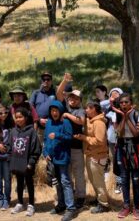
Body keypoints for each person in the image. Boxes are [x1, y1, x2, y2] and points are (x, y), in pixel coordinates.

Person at [112, 93, 139, 220]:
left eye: (126, 102)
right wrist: (123, 117)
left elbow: (136, 134)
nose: (123, 104)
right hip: (122, 149)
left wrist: (127, 118)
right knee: (124, 178)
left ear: (131, 103)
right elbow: (120, 134)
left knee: (135, 178)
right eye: (121, 102)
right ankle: (126, 205)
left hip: (135, 149)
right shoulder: (115, 115)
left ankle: (137, 207)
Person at [74, 101, 111, 214]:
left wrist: (84, 138)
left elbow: (100, 141)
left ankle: (104, 204)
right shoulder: (90, 121)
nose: (85, 110)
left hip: (98, 156)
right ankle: (99, 199)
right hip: (91, 155)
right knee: (93, 179)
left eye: (88, 108)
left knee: (98, 181)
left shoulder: (99, 123)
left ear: (94, 109)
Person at [56, 73, 86, 209]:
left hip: (76, 146)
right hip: (64, 146)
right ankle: (70, 195)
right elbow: (58, 94)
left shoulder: (80, 111)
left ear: (80, 100)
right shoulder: (66, 106)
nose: (73, 99)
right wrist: (65, 80)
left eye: (76, 98)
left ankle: (80, 197)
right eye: (71, 97)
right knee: (66, 173)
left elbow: (81, 121)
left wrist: (68, 115)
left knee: (78, 172)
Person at [43, 100, 77, 221]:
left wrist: (57, 135)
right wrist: (45, 153)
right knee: (57, 182)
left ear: (60, 111)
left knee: (65, 182)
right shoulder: (48, 123)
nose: (54, 113)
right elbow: (45, 139)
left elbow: (69, 137)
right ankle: (61, 205)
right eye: (52, 111)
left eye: (56, 110)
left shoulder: (65, 122)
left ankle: (71, 208)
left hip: (62, 157)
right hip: (51, 158)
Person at [8, 107, 41, 217]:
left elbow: (36, 149)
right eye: (16, 117)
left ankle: (31, 205)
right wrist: (10, 160)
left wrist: (31, 162)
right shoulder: (13, 131)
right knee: (19, 183)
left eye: (20, 117)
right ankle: (20, 203)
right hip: (16, 163)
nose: (18, 119)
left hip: (27, 164)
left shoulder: (31, 132)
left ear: (26, 118)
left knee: (29, 183)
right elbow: (9, 147)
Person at [30, 72, 56, 143]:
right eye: (44, 79)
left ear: (51, 81)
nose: (46, 81)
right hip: (38, 126)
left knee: (51, 149)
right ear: (41, 81)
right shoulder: (36, 93)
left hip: (52, 126)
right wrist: (39, 119)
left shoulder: (55, 92)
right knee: (38, 149)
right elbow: (30, 108)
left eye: (48, 79)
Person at [106, 88, 123, 194]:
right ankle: (119, 182)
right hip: (111, 139)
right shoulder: (108, 109)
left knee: (122, 161)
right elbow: (101, 104)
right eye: (112, 94)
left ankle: (122, 182)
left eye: (117, 94)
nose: (114, 96)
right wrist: (111, 102)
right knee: (116, 161)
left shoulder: (123, 108)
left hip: (122, 139)